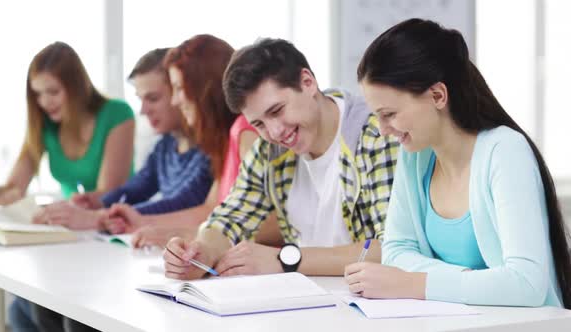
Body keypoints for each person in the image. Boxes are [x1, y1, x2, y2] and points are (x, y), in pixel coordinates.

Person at [344, 18, 571, 309]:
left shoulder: (504, 151)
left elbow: (526, 284)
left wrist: (413, 283)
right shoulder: (416, 155)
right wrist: (478, 282)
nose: (383, 129)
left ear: (438, 95)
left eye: (389, 114)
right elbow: (396, 252)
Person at [162, 38, 399, 280]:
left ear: (307, 82)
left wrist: (285, 259)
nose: (274, 133)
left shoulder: (376, 137)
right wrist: (202, 252)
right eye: (259, 124)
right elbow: (229, 218)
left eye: (276, 111)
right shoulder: (269, 151)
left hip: (366, 304)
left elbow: (391, 248)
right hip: (303, 299)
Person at [0, 42, 135, 332]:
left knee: (65, 315)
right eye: (38, 93)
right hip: (66, 237)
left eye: (53, 92)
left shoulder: (117, 114)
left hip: (105, 234)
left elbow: (107, 193)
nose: (45, 102)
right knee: (22, 308)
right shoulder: (45, 125)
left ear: (76, 87)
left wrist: (68, 210)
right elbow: (12, 192)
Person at [107, 35, 280, 249]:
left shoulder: (245, 130)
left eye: (179, 88)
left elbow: (279, 222)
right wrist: (143, 222)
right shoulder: (225, 141)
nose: (175, 100)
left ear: (204, 88)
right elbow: (210, 209)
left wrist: (193, 235)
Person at [48, 48, 214, 234]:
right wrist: (98, 201)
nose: (143, 110)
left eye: (153, 98)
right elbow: (135, 188)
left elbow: (182, 204)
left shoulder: (210, 150)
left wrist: (101, 217)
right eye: (141, 99)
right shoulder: (165, 147)